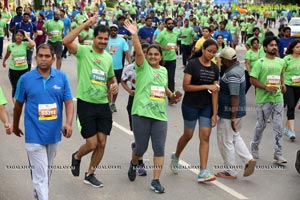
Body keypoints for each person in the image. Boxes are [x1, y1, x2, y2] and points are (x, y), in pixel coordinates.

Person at [124, 20, 181, 193]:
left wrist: (172, 96)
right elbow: (139, 52)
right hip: (141, 113)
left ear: (161, 57)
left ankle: (155, 180)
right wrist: (135, 34)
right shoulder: (141, 67)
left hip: (160, 116)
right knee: (141, 148)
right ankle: (134, 163)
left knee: (159, 148)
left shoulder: (163, 71)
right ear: (146, 56)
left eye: (157, 55)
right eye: (151, 55)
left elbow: (162, 87)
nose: (154, 57)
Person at [13, 44, 74, 200]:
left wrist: (68, 123)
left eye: (47, 56)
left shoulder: (61, 78)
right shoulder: (25, 79)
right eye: (40, 56)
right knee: (41, 174)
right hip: (33, 134)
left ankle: (39, 191)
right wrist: (15, 125)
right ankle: (42, 195)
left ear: (53, 59)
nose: (44, 59)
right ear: (35, 57)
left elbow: (68, 102)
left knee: (47, 170)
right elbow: (18, 105)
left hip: (53, 134)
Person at [63, 15, 118, 188]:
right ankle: (77, 156)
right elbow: (66, 40)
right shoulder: (84, 51)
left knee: (102, 143)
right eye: (100, 38)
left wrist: (114, 84)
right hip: (86, 103)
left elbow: (110, 77)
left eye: (105, 39)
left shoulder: (108, 58)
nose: (103, 41)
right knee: (92, 143)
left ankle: (90, 173)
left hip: (102, 105)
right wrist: (86, 24)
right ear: (93, 38)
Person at [171, 39, 219, 182]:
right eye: (209, 51)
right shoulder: (192, 64)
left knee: (205, 136)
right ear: (203, 49)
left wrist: (215, 113)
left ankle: (203, 171)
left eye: (214, 52)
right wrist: (205, 86)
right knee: (188, 135)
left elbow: (215, 91)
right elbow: (186, 87)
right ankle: (176, 156)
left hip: (207, 107)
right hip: (190, 105)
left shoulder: (215, 68)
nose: (211, 54)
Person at [215, 47, 256, 179]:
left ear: (227, 60)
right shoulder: (239, 69)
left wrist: (232, 117)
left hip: (230, 112)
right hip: (238, 111)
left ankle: (230, 171)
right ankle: (248, 159)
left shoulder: (232, 74)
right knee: (235, 136)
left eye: (221, 59)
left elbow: (234, 96)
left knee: (226, 140)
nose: (220, 60)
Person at [250, 36, 287, 164]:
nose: (274, 47)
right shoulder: (260, 63)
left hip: (278, 98)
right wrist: (266, 87)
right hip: (263, 99)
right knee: (261, 125)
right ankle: (254, 146)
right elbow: (252, 80)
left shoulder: (281, 62)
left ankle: (278, 153)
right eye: (271, 45)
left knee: (278, 126)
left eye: (275, 45)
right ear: (265, 48)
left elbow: (281, 74)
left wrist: (283, 84)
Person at [121, 43, 150, 177]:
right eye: (141, 52)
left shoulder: (154, 68)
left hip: (150, 102)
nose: (144, 55)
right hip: (134, 102)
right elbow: (123, 81)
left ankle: (136, 150)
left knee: (146, 134)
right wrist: (129, 91)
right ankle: (140, 163)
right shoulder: (130, 68)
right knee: (139, 135)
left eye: (146, 52)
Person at [2, 30, 35, 104]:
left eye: (21, 35)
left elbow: (33, 44)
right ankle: (15, 105)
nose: (19, 37)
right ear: (14, 36)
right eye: (17, 35)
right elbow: (7, 54)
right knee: (15, 87)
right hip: (13, 69)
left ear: (23, 37)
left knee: (24, 86)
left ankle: (23, 99)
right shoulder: (11, 46)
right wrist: (4, 61)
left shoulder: (25, 44)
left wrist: (27, 36)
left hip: (24, 69)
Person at [107, 24, 131, 112]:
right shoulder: (106, 39)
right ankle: (108, 103)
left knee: (115, 87)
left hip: (118, 68)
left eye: (115, 30)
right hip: (106, 67)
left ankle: (113, 103)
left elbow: (127, 52)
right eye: (111, 30)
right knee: (108, 87)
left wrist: (130, 63)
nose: (113, 32)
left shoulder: (122, 41)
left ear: (117, 31)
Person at [155, 18, 179, 100]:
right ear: (165, 24)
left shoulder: (176, 33)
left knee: (171, 78)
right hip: (163, 59)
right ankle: (158, 97)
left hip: (172, 58)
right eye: (168, 23)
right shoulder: (162, 33)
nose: (170, 25)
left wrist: (176, 47)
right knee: (160, 77)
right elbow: (156, 43)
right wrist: (164, 48)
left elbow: (175, 42)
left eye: (172, 23)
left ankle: (171, 98)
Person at [283, 40, 300, 141]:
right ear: (293, 48)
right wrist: (282, 83)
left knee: (293, 106)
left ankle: (286, 128)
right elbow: (282, 72)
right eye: (297, 47)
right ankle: (292, 132)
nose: (299, 49)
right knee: (290, 106)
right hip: (288, 85)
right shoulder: (287, 59)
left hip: (298, 85)